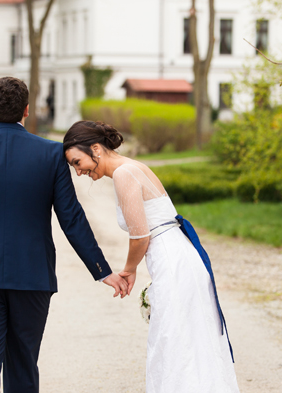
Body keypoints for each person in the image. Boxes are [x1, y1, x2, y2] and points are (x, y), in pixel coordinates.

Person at [0, 77, 128, 393]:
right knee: (23, 364)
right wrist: (101, 270)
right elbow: (71, 218)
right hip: (32, 278)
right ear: (26, 110)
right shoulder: (50, 154)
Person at [63, 120, 240, 393]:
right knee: (187, 336)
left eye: (77, 162)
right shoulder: (132, 168)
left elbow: (140, 236)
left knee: (172, 339)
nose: (78, 171)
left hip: (172, 260)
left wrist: (129, 269)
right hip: (177, 255)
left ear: (95, 149)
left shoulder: (124, 174)